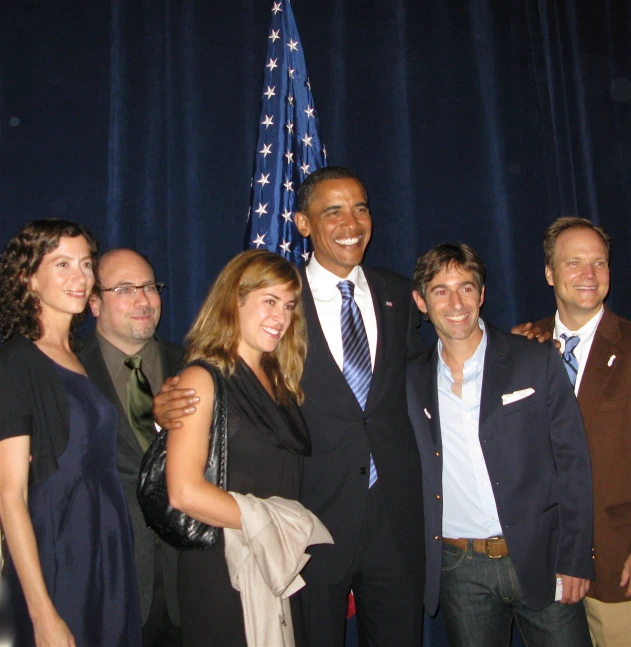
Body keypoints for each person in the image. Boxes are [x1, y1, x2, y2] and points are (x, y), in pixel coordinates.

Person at [155, 167, 426, 647]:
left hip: (395, 519)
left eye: (361, 208)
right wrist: (168, 404)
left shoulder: (399, 295)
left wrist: (521, 337)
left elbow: (432, 366)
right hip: (310, 523)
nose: (352, 222)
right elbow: (227, 370)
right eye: (333, 211)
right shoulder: (283, 299)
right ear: (303, 223)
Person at [407, 242, 594, 646]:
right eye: (440, 290)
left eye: (467, 287)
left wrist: (576, 558)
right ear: (421, 301)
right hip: (460, 570)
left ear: (483, 294)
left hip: (541, 557)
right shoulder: (411, 381)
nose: (456, 302)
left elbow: (573, 462)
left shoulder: (534, 359)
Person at [0, 219, 141, 647]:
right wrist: (41, 612)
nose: (80, 277)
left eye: (85, 263)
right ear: (28, 279)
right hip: (59, 548)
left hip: (104, 544)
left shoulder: (77, 355)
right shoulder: (18, 361)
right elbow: (10, 495)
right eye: (62, 264)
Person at [164, 249, 313, 647]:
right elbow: (183, 491)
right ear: (234, 300)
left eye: (288, 305)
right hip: (222, 568)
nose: (280, 317)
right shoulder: (202, 377)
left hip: (276, 560)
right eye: (269, 301)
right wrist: (275, 522)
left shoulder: (280, 379)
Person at [77, 249, 184, 647]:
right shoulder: (64, 371)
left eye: (150, 287)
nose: (144, 300)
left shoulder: (196, 365)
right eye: (125, 289)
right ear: (93, 303)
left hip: (190, 591)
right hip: (104, 590)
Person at [531, 217, 631, 646]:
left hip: (616, 566)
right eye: (574, 263)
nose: (589, 275)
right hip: (544, 569)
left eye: (599, 263)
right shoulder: (521, 349)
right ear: (550, 273)